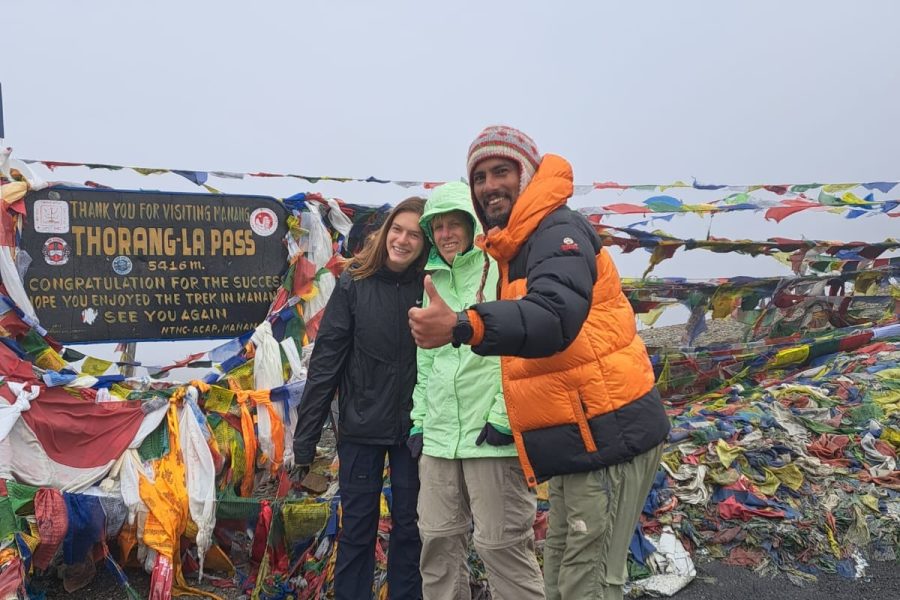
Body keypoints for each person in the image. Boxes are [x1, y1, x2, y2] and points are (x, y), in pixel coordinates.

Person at [408, 126, 671, 600]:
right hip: (575, 436)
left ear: (527, 173)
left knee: (576, 579)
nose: (490, 185)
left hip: (606, 428)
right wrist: (421, 424)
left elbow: (549, 319)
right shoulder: (509, 250)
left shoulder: (556, 232)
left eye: (502, 171)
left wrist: (465, 330)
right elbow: (438, 367)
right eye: (481, 176)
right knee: (563, 577)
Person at [408, 182, 544, 600]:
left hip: (491, 437)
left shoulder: (500, 269)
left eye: (455, 224)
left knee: (501, 547)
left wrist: (505, 418)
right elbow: (427, 360)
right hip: (440, 439)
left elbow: (522, 349)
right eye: (438, 227)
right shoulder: (434, 281)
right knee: (437, 543)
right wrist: (420, 423)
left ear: (472, 225)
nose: (446, 234)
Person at [293, 196, 428, 600]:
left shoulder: (433, 285)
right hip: (360, 428)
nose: (403, 240)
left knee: (411, 529)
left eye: (415, 235)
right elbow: (326, 364)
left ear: (426, 243)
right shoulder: (354, 283)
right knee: (357, 530)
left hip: (415, 433)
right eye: (398, 230)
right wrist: (305, 442)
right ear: (386, 232)